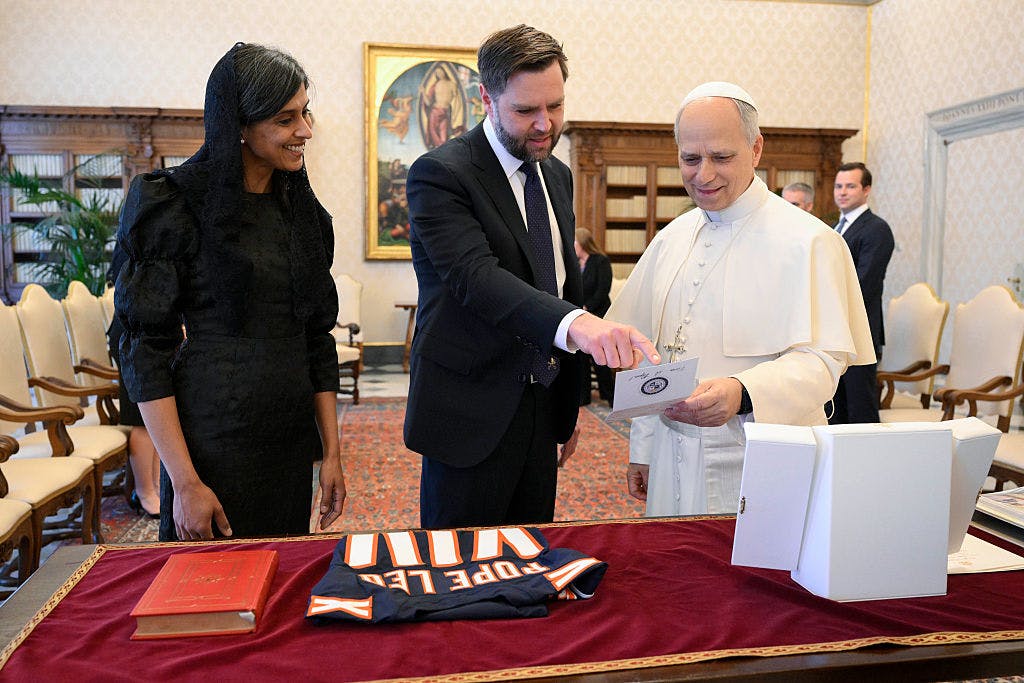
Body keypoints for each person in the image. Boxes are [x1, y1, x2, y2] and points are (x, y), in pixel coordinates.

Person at [404, 25, 658, 529]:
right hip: (470, 412)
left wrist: (567, 405)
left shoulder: (556, 174)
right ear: (486, 98)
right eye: (526, 111)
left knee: (530, 555)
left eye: (556, 106)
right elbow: (478, 278)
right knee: (462, 564)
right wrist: (582, 326)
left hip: (543, 408)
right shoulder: (441, 174)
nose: (545, 124)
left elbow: (561, 284)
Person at [607, 81, 874, 516]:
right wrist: (644, 447)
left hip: (761, 457)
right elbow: (649, 356)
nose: (703, 174)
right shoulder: (671, 238)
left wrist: (742, 391)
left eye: (721, 157)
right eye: (690, 159)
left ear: (755, 149)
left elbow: (824, 363)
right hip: (672, 454)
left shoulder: (809, 240)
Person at [115, 43, 346, 541]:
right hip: (210, 441)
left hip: (288, 440)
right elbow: (145, 350)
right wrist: (184, 481)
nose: (305, 131)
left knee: (280, 571)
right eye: (285, 119)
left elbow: (317, 339)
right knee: (207, 583)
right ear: (239, 124)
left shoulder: (305, 216)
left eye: (305, 113)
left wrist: (331, 454)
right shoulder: (171, 204)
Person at [828, 162, 895, 424]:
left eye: (850, 186)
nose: (842, 192)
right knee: (836, 411)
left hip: (860, 333)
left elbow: (864, 283)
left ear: (866, 190)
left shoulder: (877, 229)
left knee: (860, 411)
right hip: (835, 332)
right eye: (838, 186)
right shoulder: (836, 227)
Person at [105, 250, 161, 519]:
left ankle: (156, 487)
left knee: (157, 415)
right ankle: (144, 491)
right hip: (132, 332)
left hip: (149, 329)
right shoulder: (136, 238)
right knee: (142, 418)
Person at [574, 227, 614, 405]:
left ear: (583, 243)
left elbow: (603, 289)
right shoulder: (575, 263)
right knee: (581, 357)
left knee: (600, 356)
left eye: (574, 242)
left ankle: (610, 395)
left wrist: (587, 307)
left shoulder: (600, 261)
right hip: (580, 316)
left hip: (599, 313)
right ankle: (584, 396)